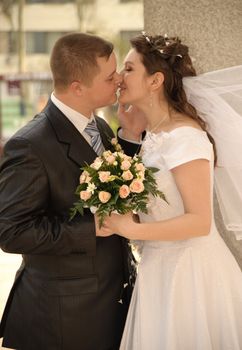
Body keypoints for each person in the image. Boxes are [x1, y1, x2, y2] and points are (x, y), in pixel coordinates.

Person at [97, 33, 242, 349]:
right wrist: (131, 133)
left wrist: (128, 228)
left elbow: (199, 222)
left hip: (190, 276)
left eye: (130, 69)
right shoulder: (154, 134)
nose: (120, 77)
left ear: (155, 81)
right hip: (158, 269)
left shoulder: (185, 137)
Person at [0, 33, 142, 350]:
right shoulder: (30, 145)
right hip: (64, 318)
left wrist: (130, 137)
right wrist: (90, 228)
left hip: (108, 305)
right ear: (77, 87)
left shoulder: (100, 127)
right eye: (110, 77)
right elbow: (10, 231)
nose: (119, 79)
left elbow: (114, 189)